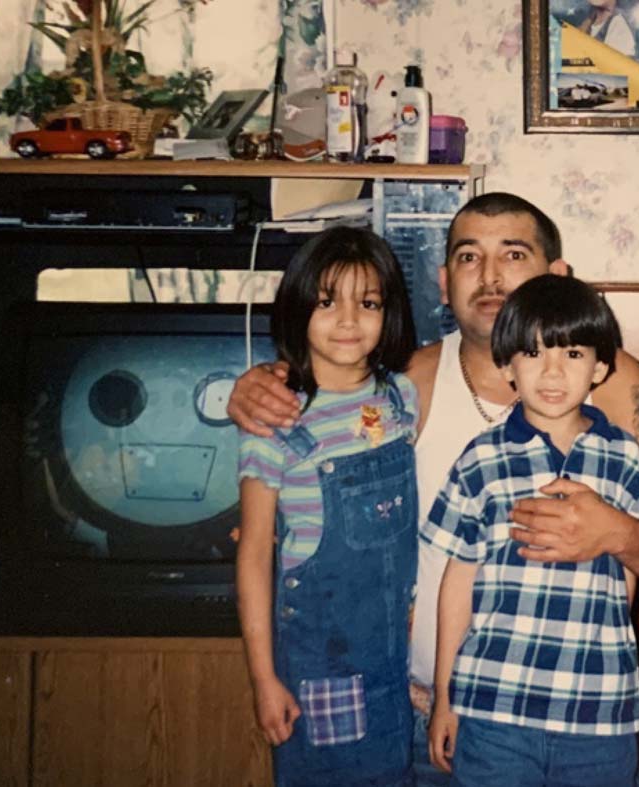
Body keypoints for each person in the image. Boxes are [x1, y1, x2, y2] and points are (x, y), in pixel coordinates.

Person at [228, 192, 639, 785]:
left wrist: (620, 532)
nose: (491, 275)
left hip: (573, 717)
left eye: (513, 254)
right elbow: (319, 403)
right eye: (469, 257)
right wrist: (258, 383)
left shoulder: (612, 381)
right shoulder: (409, 384)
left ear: (556, 275)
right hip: (416, 713)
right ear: (444, 278)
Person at [425, 274, 639, 785]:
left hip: (597, 708)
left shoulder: (624, 459)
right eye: (532, 353)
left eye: (571, 354)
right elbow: (458, 581)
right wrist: (445, 698)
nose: (552, 372)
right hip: (495, 703)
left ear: (601, 367)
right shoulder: (482, 458)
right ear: (507, 366)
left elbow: (626, 582)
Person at [235, 226, 421, 786]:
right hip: (323, 665)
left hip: (394, 656)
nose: (348, 321)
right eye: (326, 302)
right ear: (298, 309)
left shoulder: (401, 398)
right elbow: (253, 558)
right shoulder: (274, 424)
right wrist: (263, 679)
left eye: (368, 304)